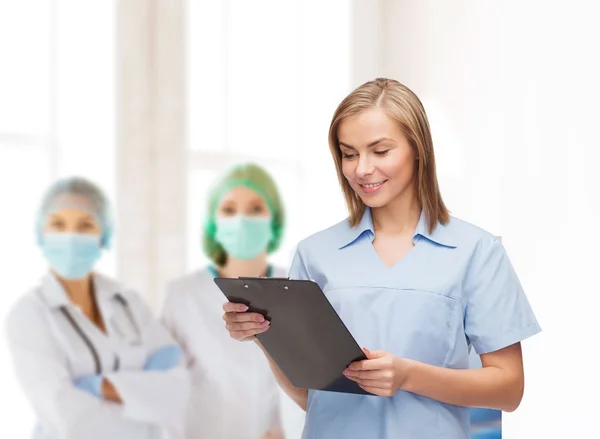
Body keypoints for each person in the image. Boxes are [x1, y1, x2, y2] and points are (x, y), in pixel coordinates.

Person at [221, 79, 541, 438]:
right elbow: (307, 396)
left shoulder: (476, 252)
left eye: (381, 151)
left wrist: (408, 376)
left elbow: (509, 389)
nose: (362, 169)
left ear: (418, 149)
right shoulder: (315, 254)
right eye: (349, 153)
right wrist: (263, 335)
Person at [5, 177, 190, 439]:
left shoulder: (128, 302)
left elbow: (176, 392)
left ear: (103, 235)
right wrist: (140, 398)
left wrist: (97, 387)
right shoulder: (29, 314)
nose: (70, 237)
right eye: (58, 225)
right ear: (41, 234)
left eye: (85, 225)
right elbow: (65, 417)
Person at [161, 163, 296, 439]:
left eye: (256, 209)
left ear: (275, 219)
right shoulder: (183, 295)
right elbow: (165, 389)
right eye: (229, 210)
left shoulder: (296, 289)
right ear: (213, 222)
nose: (242, 220)